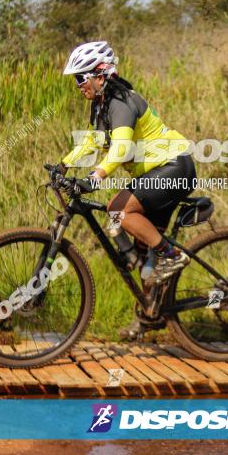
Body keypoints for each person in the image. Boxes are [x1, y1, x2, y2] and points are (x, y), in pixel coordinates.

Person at [60, 41, 197, 337]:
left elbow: (120, 149)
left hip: (173, 167)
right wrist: (64, 165)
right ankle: (151, 316)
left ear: (100, 75)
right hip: (159, 172)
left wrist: (95, 177)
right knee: (146, 256)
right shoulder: (101, 105)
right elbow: (93, 143)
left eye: (80, 78)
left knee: (118, 210)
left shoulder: (121, 102)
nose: (77, 85)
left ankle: (173, 255)